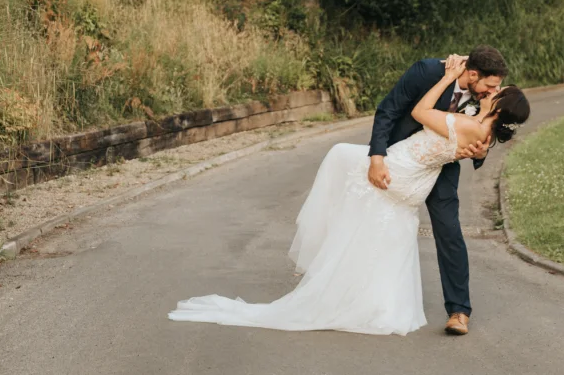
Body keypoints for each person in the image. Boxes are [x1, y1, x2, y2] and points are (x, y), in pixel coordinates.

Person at [167, 49, 530, 336]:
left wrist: (479, 152)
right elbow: (388, 110)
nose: (491, 92)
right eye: (488, 86)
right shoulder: (428, 72)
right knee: (370, 216)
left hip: (437, 170)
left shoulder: (484, 104)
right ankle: (345, 282)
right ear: (471, 74)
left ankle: (459, 311)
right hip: (400, 158)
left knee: (449, 232)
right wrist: (376, 157)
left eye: (495, 90)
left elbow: (482, 141)